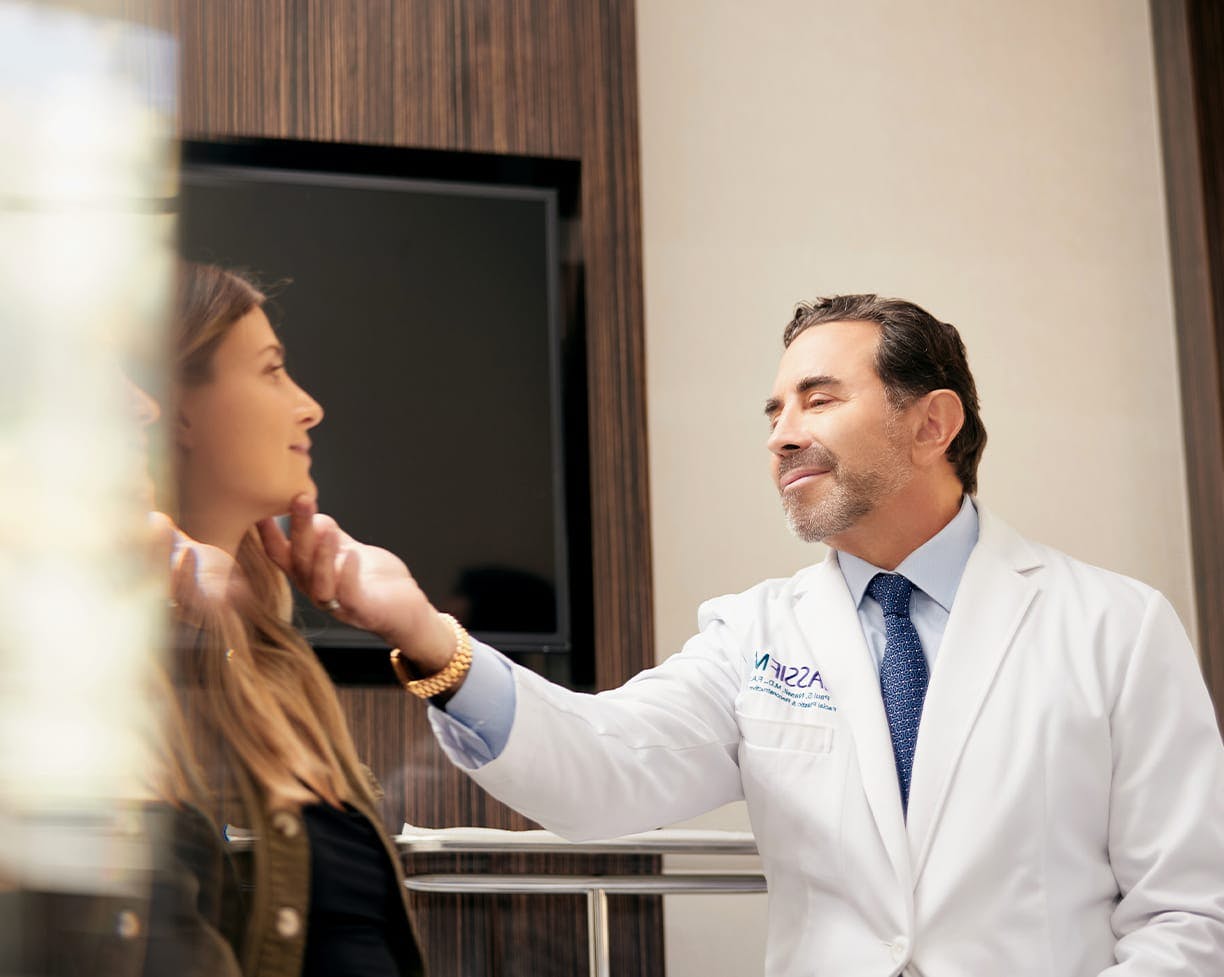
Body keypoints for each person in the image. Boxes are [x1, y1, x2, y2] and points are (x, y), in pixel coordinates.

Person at [262, 294, 1224, 977]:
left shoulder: (1115, 627)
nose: (780, 433)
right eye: (773, 410)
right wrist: (426, 633)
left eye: (817, 398)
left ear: (933, 423)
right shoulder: (755, 633)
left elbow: (1191, 913)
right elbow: (603, 771)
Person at [166, 263, 426, 977]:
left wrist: (423, 631)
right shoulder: (130, 659)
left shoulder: (275, 663)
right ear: (175, 408)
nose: (308, 407)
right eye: (272, 370)